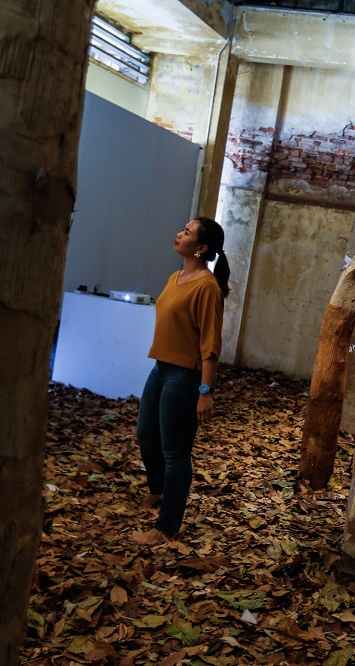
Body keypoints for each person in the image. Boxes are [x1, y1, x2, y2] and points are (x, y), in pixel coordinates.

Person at [131, 217, 231, 545]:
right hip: (161, 369)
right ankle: (160, 492)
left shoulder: (207, 287)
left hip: (185, 376)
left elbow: (211, 346)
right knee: (146, 435)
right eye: (182, 229)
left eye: (187, 233)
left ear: (201, 248)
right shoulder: (177, 277)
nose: (179, 234)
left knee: (175, 452)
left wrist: (205, 391)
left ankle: (166, 528)